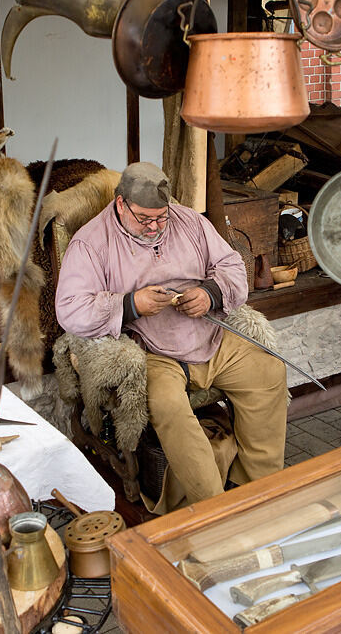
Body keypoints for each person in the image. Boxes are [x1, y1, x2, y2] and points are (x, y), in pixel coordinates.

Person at [55, 161, 287, 509]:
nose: (154, 226)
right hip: (152, 348)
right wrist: (132, 303)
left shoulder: (189, 221)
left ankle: (257, 488)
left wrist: (210, 294)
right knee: (167, 404)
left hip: (209, 333)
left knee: (269, 372)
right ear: (121, 204)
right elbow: (70, 310)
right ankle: (213, 507)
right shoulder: (90, 242)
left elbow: (233, 266)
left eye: (161, 217)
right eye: (144, 219)